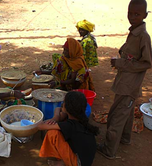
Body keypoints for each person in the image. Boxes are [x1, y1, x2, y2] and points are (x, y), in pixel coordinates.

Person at [97, 0, 152, 160]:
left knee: (116, 116)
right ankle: (125, 138)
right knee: (126, 113)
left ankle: (109, 149)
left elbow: (147, 62)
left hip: (129, 85)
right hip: (125, 82)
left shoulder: (143, 36)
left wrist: (121, 63)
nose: (132, 17)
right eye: (130, 13)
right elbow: (133, 55)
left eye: (137, 14)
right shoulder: (134, 32)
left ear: (145, 15)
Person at [38, 91, 99, 166]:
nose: (62, 104)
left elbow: (40, 126)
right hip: (85, 159)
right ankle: (66, 161)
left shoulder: (69, 125)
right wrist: (55, 118)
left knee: (53, 133)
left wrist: (55, 119)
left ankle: (64, 162)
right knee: (59, 127)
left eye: (64, 103)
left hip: (79, 163)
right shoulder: (80, 118)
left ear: (68, 108)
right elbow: (57, 109)